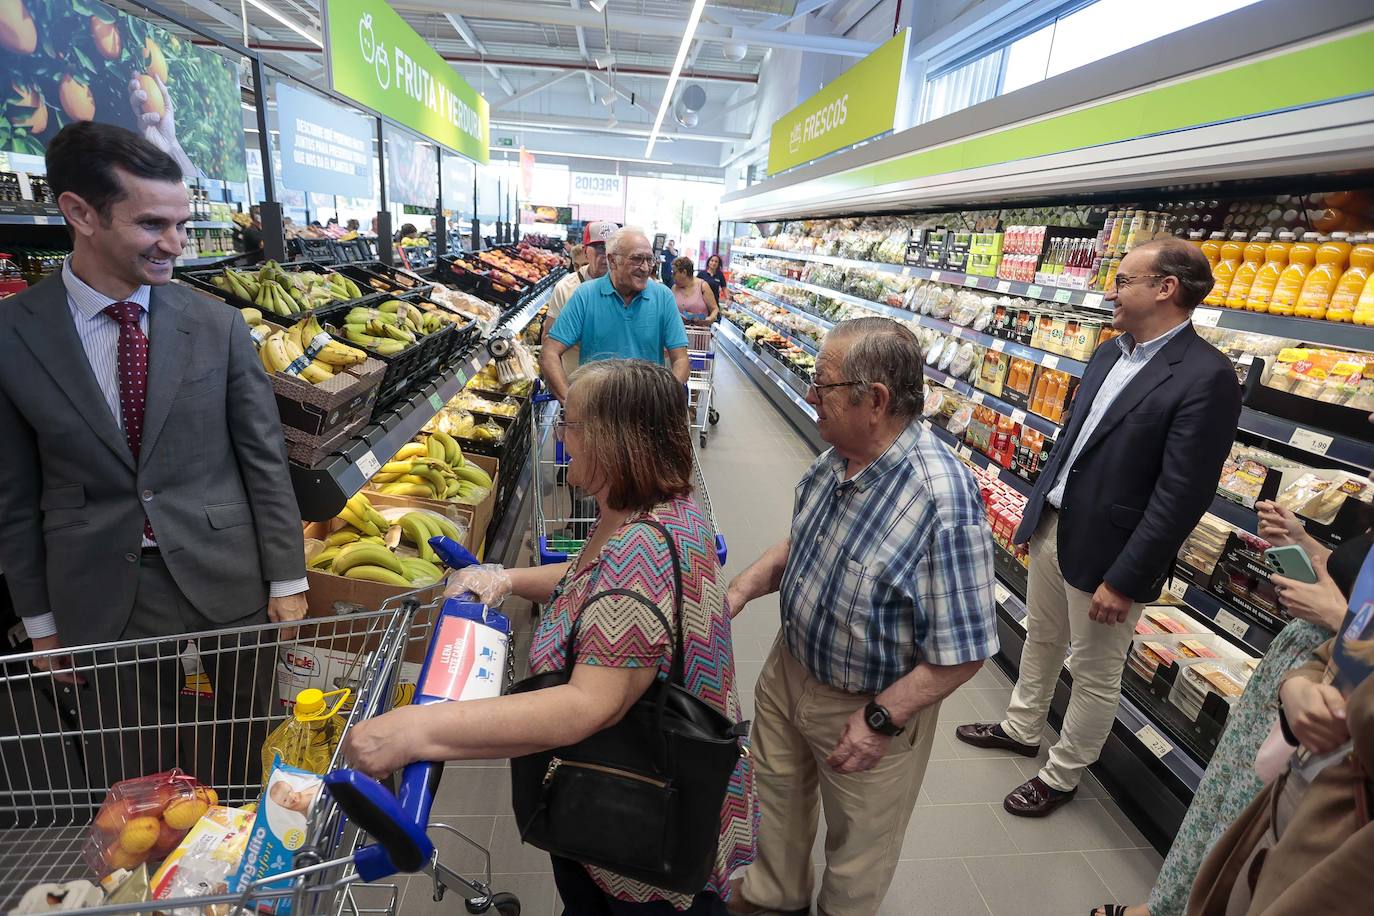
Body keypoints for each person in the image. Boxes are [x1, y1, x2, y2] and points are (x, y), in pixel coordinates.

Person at [342, 360, 755, 916]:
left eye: (572, 422)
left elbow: (588, 705)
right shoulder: (663, 509)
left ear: (614, 439)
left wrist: (416, 729)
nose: (561, 435)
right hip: (667, 795)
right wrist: (506, 578)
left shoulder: (641, 551)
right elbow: (593, 579)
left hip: (646, 829)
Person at [0, 122, 308, 790]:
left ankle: (234, 876)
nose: (175, 243)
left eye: (182, 222)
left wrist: (288, 578)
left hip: (228, 572)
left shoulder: (216, 324)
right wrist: (41, 622)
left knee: (239, 750)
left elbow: (263, 456)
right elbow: (13, 495)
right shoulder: (13, 335)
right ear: (80, 213)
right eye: (151, 224)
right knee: (129, 773)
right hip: (98, 586)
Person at [957, 238, 1243, 817]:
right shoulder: (1111, 353)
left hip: (1112, 551)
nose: (1110, 291)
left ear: (1165, 288)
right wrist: (1036, 512)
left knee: (1093, 670)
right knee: (1041, 638)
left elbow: (1182, 493)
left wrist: (1128, 577)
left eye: (1123, 280)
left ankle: (1062, 775)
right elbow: (1073, 444)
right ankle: (1022, 726)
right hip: (1054, 525)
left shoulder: (1207, 376)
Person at [725, 317, 999, 916]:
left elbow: (968, 647)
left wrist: (880, 718)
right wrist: (743, 588)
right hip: (790, 668)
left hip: (867, 703)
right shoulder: (837, 459)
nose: (809, 395)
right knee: (773, 801)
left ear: (873, 400)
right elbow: (805, 542)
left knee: (858, 850)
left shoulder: (941, 498)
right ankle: (775, 896)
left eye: (822, 386)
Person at [1094, 502, 1367, 916]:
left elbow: (1355, 617)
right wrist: (1300, 540)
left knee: (1246, 819)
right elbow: (1352, 577)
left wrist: (1335, 615)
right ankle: (1164, 905)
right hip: (1297, 671)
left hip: (1334, 710)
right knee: (1218, 795)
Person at [1186, 573, 1374, 916]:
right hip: (1298, 786)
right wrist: (1297, 688)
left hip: (1345, 843)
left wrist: (1339, 618)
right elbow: (1327, 655)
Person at [541, 227, 690, 403]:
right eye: (636, 259)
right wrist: (570, 403)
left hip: (645, 409)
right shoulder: (585, 295)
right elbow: (549, 353)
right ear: (612, 260)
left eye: (649, 260)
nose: (645, 268)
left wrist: (665, 399)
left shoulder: (663, 296)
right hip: (595, 407)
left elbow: (681, 359)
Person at [543, 221, 616, 383]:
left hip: (615, 386)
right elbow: (547, 339)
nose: (606, 255)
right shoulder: (566, 288)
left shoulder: (627, 287)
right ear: (585, 251)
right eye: (599, 248)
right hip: (576, 385)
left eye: (612, 248)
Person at [672, 255, 719, 325]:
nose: (672, 276)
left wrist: (708, 320)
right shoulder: (674, 288)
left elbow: (715, 309)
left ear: (684, 272)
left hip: (698, 333)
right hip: (678, 332)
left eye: (674, 273)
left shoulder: (702, 286)